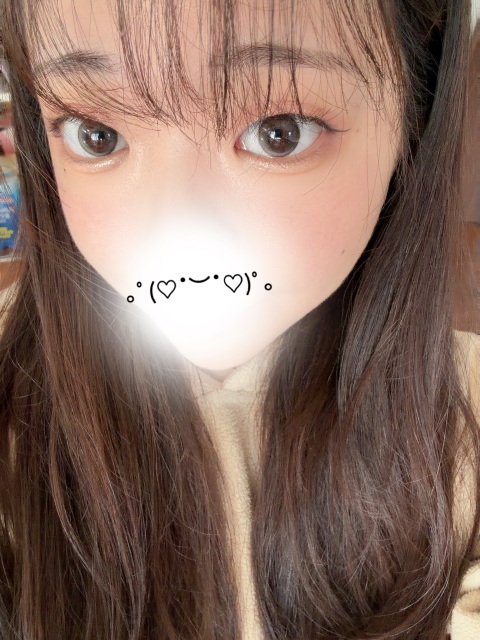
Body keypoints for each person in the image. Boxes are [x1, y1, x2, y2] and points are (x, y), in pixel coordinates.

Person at [0, 0, 478, 638]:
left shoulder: (467, 420)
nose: (173, 232)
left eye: (280, 132)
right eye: (97, 134)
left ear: (412, 117)